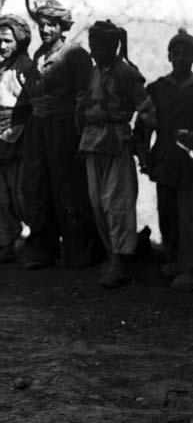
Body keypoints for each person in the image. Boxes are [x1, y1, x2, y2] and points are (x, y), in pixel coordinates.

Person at [23, 0, 103, 269]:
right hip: (40, 128)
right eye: (42, 25)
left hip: (65, 128)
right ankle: (44, 251)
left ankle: (80, 250)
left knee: (69, 187)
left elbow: (87, 93)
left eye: (51, 25)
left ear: (62, 26)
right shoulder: (37, 56)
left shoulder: (75, 54)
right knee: (39, 187)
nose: (45, 30)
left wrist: (80, 130)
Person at [79, 21, 155, 288]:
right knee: (98, 202)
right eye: (91, 45)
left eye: (97, 46)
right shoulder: (94, 72)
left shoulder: (126, 74)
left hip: (116, 142)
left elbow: (147, 110)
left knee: (117, 203)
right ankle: (113, 255)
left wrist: (139, 140)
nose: (93, 52)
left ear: (112, 45)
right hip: (92, 143)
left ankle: (122, 261)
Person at [135, 28, 193, 291]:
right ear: (169, 56)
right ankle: (171, 257)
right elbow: (143, 127)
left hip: (190, 160)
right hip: (166, 158)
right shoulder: (157, 88)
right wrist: (144, 155)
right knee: (166, 211)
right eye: (176, 54)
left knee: (188, 214)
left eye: (187, 54)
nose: (181, 59)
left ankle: (187, 267)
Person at [0, 15, 33, 264]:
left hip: (19, 136)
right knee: (0, 195)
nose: (2, 46)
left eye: (7, 41)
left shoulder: (25, 66)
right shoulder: (1, 67)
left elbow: (35, 102)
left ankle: (30, 245)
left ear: (20, 41)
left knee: (21, 194)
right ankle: (7, 244)